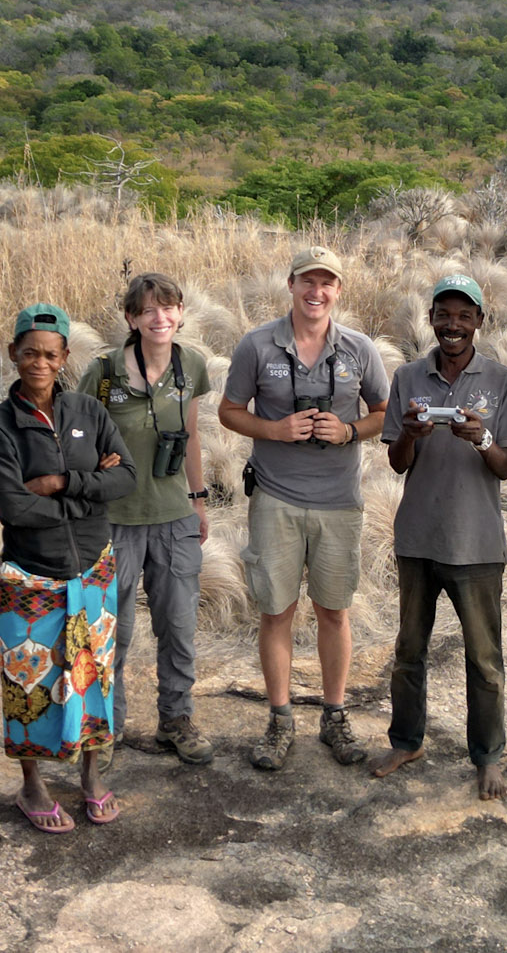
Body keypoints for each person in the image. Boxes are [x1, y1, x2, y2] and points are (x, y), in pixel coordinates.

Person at [218, 245, 389, 770]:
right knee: (277, 611)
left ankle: (334, 715)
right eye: (307, 282)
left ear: (339, 290)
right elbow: (228, 411)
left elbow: (385, 411)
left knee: (334, 611)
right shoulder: (257, 345)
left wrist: (349, 430)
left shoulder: (360, 349)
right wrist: (272, 430)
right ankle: (279, 719)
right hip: (275, 498)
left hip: (340, 502)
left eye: (327, 284)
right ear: (290, 285)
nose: (317, 293)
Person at [369, 274, 507, 801]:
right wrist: (411, 435)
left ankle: (487, 756)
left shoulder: (503, 380)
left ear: (480, 320)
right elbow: (396, 462)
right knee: (409, 650)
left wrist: (482, 437)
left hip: (476, 542)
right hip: (417, 536)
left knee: (484, 658)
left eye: (464, 315)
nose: (453, 325)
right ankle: (406, 740)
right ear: (431, 319)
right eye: (444, 314)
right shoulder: (409, 376)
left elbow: (505, 469)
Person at [0, 303, 137, 833]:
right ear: (13, 355)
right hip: (31, 575)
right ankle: (32, 786)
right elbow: (14, 507)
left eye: (50, 353)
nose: (39, 362)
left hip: (92, 570)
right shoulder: (1, 423)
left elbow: (127, 479)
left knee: (93, 678)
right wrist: (91, 488)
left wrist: (61, 483)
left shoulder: (89, 414)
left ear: (65, 356)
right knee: (28, 682)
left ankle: (91, 778)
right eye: (29, 353)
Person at [77, 272, 216, 765]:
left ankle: (176, 719)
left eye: (169, 308)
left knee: (177, 624)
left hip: (174, 515)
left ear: (180, 313)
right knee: (112, 629)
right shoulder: (104, 371)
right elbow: (76, 439)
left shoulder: (192, 365)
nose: (160, 318)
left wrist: (199, 500)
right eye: (148, 310)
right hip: (113, 519)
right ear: (131, 318)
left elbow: (193, 435)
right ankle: (105, 727)